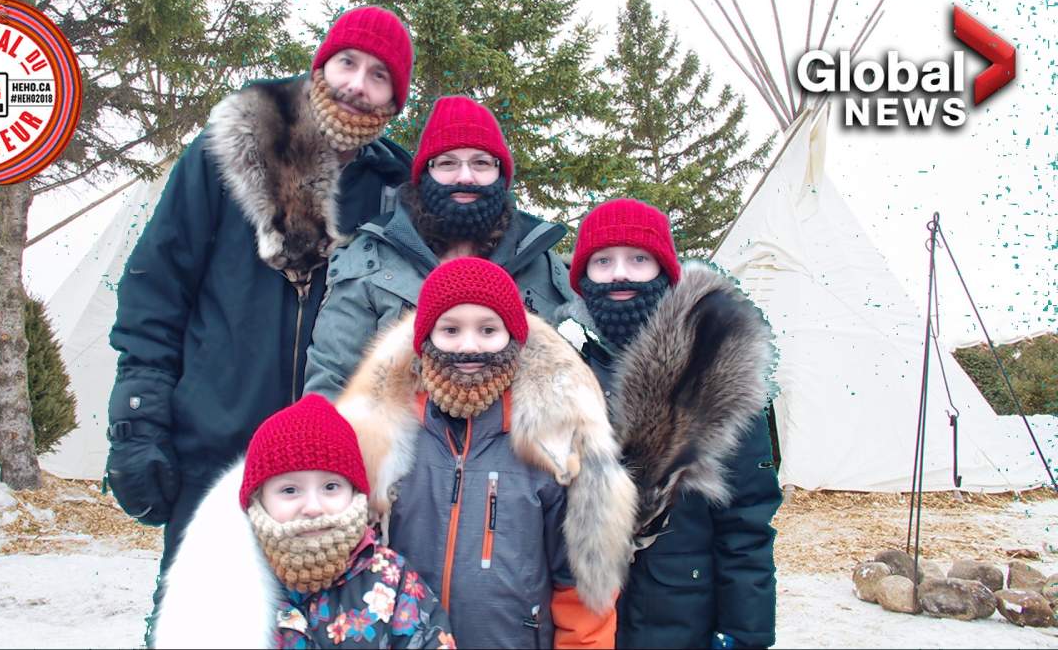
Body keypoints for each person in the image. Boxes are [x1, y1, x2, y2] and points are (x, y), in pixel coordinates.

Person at [104, 6, 415, 644]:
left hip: (336, 473)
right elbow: (156, 290)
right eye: (347, 63)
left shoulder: (397, 192)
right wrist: (139, 419)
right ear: (320, 65)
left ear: (395, 100)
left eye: (379, 75)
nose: (357, 83)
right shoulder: (229, 152)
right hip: (218, 443)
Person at [334, 257, 637, 649]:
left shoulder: (552, 443)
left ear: (513, 338)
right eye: (451, 330)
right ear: (425, 339)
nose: (469, 346)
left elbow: (581, 588)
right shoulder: (388, 436)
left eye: (488, 330)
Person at [556, 198, 781, 649]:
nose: (620, 273)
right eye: (603, 261)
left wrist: (744, 631)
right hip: (579, 618)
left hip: (681, 616)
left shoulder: (715, 367)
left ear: (665, 271)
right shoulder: (561, 369)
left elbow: (746, 523)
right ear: (582, 279)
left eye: (639, 259)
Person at [303, 95, 573, 399]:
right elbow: (332, 378)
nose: (465, 177)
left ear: (501, 173)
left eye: (481, 163)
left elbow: (572, 377)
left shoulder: (541, 264)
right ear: (425, 174)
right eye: (447, 163)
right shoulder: (370, 258)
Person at [151, 394, 456, 649]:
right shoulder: (220, 580)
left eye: (330, 487)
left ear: (355, 493)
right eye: (289, 490)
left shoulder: (392, 580)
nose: (312, 507)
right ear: (258, 499)